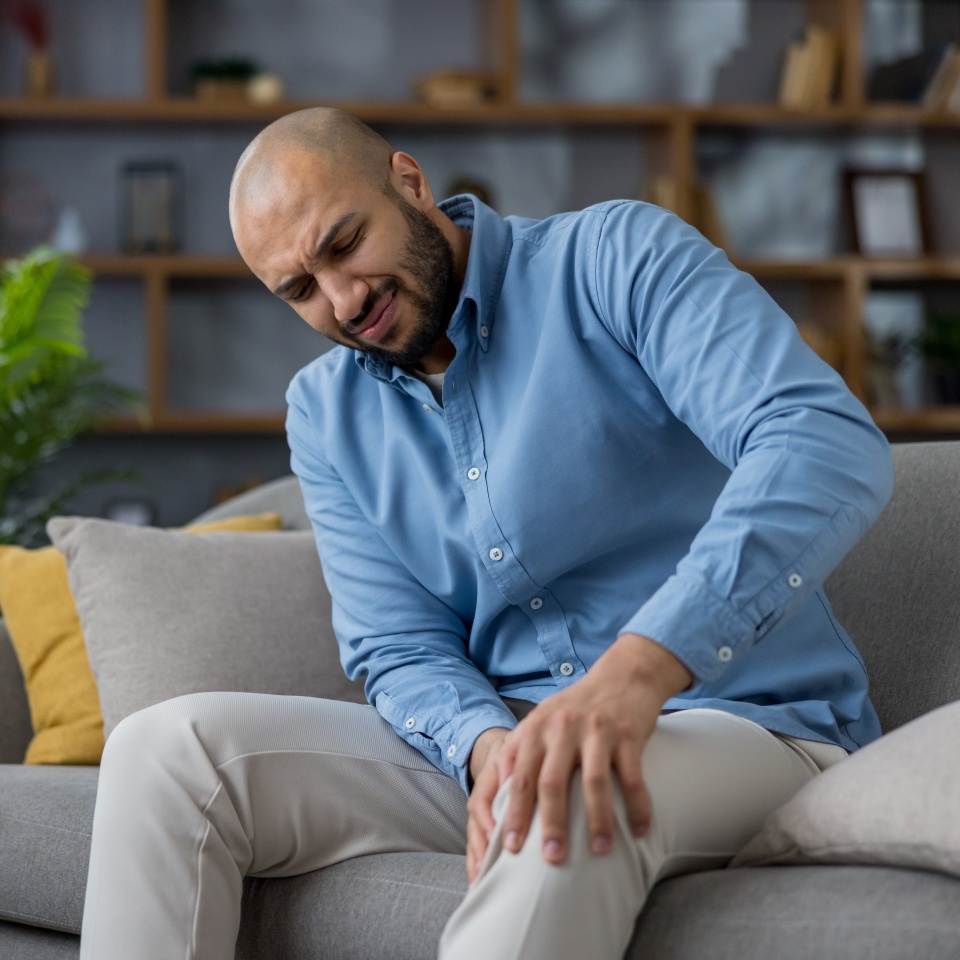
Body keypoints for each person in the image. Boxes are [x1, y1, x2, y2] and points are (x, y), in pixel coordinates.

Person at [78, 107, 893, 960]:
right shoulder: (324, 413)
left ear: (409, 181)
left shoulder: (614, 259)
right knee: (166, 751)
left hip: (743, 722)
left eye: (344, 242)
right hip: (505, 737)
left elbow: (819, 440)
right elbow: (397, 644)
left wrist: (637, 672)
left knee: (569, 787)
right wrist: (483, 746)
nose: (344, 300)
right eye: (300, 290)